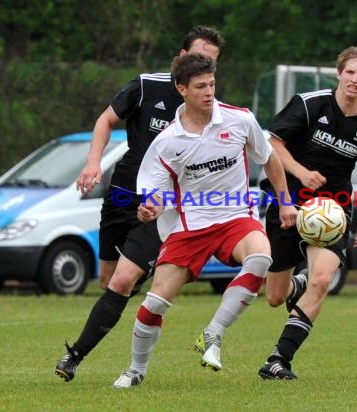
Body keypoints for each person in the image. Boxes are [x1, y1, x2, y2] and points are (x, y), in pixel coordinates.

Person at [112, 52, 298, 388]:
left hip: (235, 217)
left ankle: (213, 334)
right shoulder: (167, 142)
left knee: (260, 257)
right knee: (153, 305)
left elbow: (269, 159)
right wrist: (149, 209)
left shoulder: (239, 120)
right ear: (181, 89)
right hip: (188, 226)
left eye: (212, 84)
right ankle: (135, 370)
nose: (209, 92)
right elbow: (154, 191)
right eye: (200, 86)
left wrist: (285, 202)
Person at [54, 26, 225, 382]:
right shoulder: (146, 85)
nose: (204, 69)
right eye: (198, 59)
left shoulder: (213, 109)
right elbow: (105, 120)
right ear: (181, 57)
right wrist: (92, 163)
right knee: (108, 281)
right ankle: (143, 280)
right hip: (121, 194)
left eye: (211, 63)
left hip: (160, 206)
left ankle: (74, 357)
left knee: (123, 279)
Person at [257, 46, 357, 380]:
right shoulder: (309, 104)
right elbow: (272, 143)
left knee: (322, 280)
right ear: (339, 73)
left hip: (333, 211)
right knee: (275, 296)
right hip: (290, 203)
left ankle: (279, 359)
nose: (355, 80)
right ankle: (297, 284)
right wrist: (302, 173)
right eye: (350, 72)